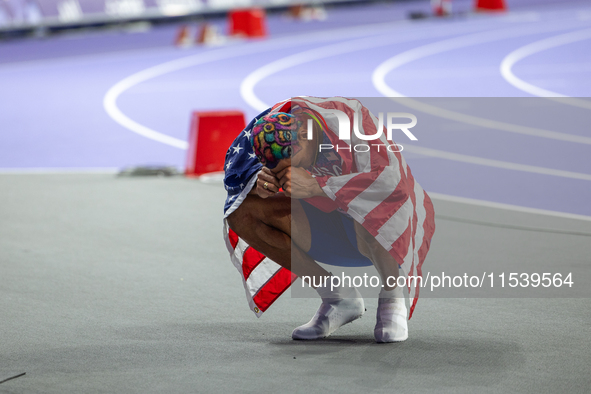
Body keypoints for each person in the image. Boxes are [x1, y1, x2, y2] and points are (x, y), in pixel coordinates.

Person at [223, 96, 435, 342]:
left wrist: (317, 186)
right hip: (331, 228)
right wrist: (263, 183)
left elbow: (392, 186)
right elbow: (250, 183)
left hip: (386, 233)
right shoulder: (285, 137)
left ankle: (392, 294)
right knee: (244, 213)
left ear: (303, 136)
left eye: (286, 167)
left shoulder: (353, 124)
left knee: (367, 207)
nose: (282, 174)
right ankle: (338, 297)